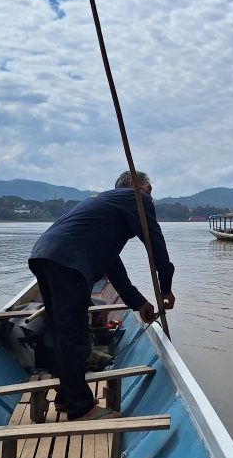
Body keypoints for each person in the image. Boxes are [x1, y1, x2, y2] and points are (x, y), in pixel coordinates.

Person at [28, 170, 175, 421]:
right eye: (148, 189)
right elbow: (156, 248)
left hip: (45, 255)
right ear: (132, 185)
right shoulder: (135, 199)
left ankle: (65, 396)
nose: (150, 197)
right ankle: (80, 408)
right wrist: (166, 288)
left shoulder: (104, 212)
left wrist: (139, 303)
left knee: (60, 330)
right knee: (74, 335)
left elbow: (114, 269)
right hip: (67, 261)